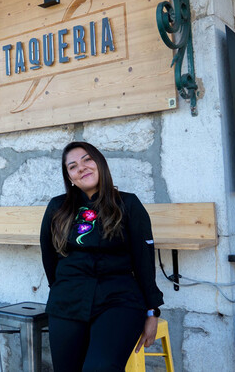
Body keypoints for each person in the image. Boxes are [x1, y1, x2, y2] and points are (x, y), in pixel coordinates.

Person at [40, 141, 164, 372]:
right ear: (69, 177)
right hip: (68, 299)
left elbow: (144, 261)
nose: (82, 168)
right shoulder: (58, 208)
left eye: (87, 159)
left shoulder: (127, 204)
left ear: (100, 163)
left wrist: (152, 311)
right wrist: (61, 289)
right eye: (73, 166)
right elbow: (49, 257)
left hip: (118, 299)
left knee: (101, 367)